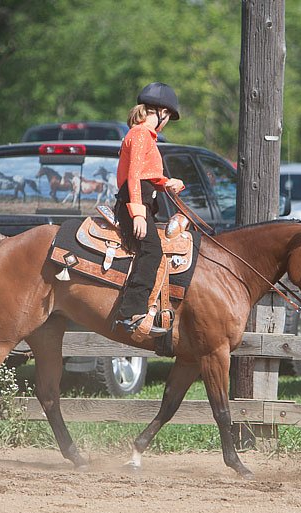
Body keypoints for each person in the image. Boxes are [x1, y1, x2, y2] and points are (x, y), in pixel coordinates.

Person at [114, 82, 185, 333]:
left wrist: (167, 182)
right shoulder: (142, 134)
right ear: (161, 113)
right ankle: (131, 312)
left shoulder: (141, 135)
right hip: (136, 203)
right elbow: (133, 176)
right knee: (152, 251)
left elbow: (146, 174)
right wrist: (137, 213)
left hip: (142, 201)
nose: (166, 123)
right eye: (167, 118)